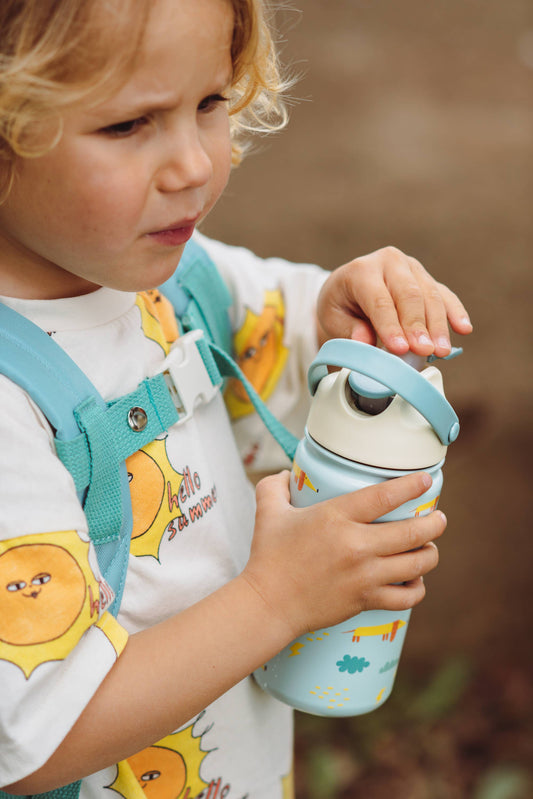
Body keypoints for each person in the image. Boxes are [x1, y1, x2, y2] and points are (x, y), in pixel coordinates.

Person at [0, 0, 472, 796]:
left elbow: (294, 332)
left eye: (209, 103)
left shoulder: (178, 282)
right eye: (128, 125)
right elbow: (32, 741)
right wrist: (275, 598)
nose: (193, 164)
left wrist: (342, 310)